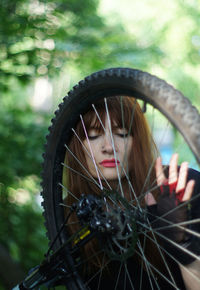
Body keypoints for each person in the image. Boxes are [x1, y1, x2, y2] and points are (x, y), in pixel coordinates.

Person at [64, 96, 200, 289]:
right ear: (77, 144)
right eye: (93, 135)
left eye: (122, 134)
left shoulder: (184, 187)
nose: (109, 147)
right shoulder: (66, 212)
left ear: (138, 140)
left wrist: (184, 247)